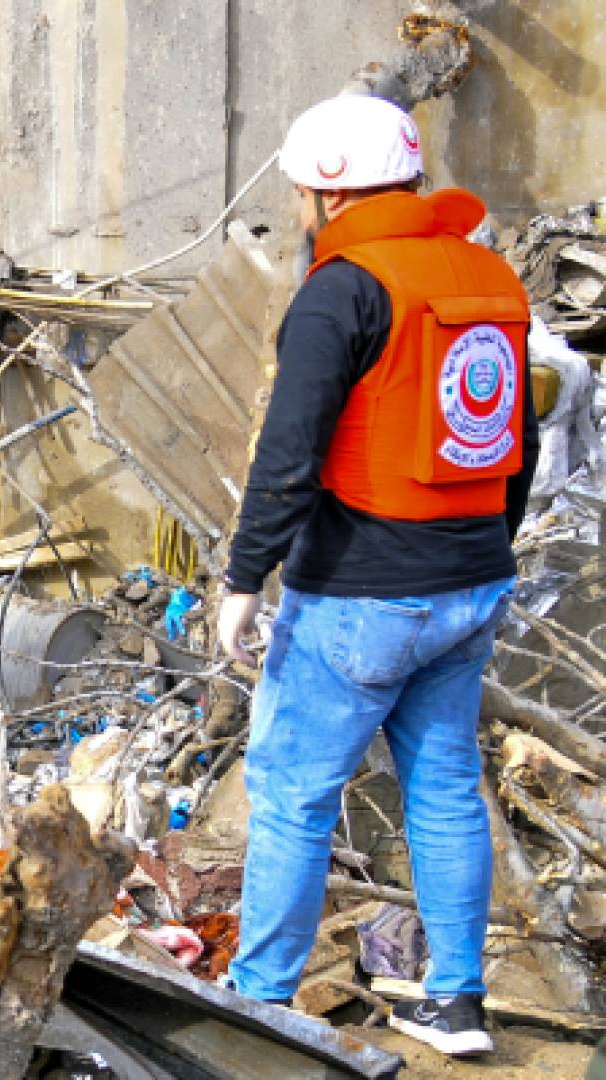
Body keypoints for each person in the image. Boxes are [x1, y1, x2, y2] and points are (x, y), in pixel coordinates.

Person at [217, 95, 537, 1058]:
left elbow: (289, 452)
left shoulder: (342, 285)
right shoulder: (489, 275)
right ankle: (455, 1001)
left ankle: (260, 1001)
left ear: (325, 189)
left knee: (291, 793)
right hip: (471, 577)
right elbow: (508, 444)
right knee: (442, 786)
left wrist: (243, 580)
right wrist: (482, 547)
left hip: (362, 590)